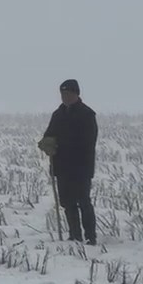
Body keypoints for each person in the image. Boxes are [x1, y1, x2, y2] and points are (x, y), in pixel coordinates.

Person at [38, 79, 98, 245]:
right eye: (62, 94)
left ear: (76, 94)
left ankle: (90, 237)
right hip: (62, 166)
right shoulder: (58, 115)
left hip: (81, 167)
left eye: (68, 93)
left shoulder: (87, 114)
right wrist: (47, 144)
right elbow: (49, 135)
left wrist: (61, 145)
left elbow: (88, 141)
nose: (65, 97)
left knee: (83, 201)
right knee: (67, 202)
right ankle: (74, 235)